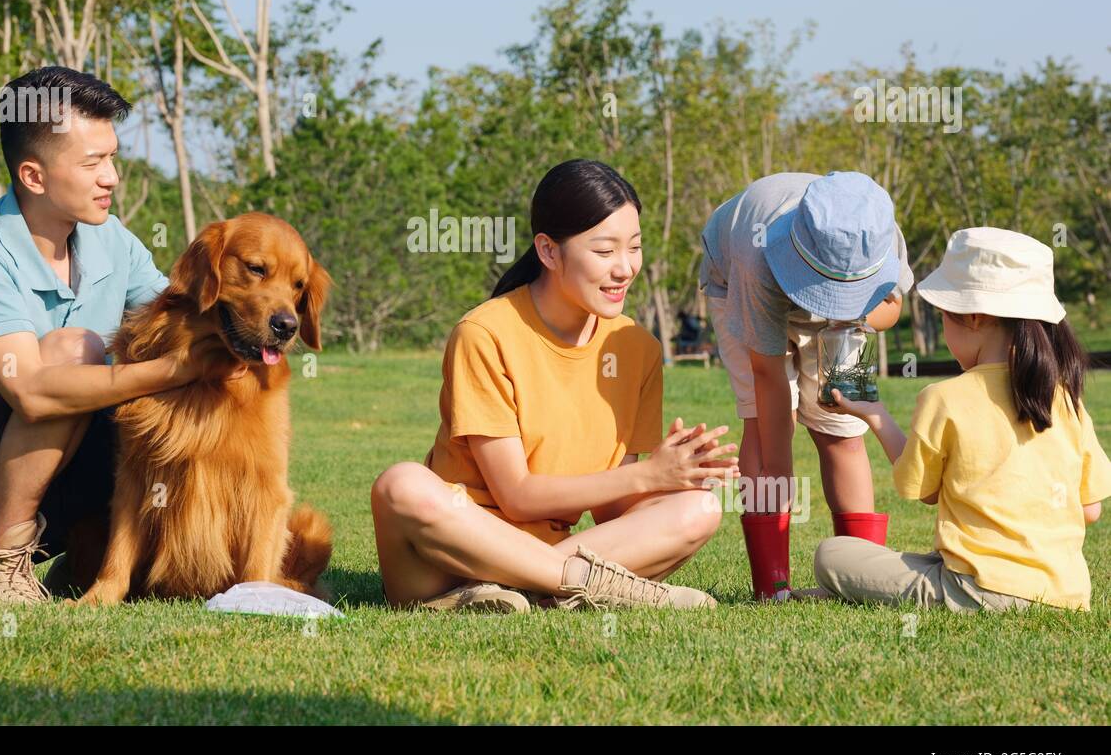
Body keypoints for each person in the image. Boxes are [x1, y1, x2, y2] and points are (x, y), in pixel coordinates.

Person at [0, 67, 228, 605]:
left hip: (59, 475)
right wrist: (176, 370)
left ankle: (152, 557)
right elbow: (32, 393)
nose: (111, 177)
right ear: (34, 176)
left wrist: (254, 311)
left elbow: (175, 319)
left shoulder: (110, 239)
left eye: (112, 157)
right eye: (92, 163)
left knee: (149, 395)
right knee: (76, 349)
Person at [371, 159, 739, 614]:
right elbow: (517, 496)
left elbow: (612, 508)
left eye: (635, 248)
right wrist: (647, 475)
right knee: (402, 484)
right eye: (605, 252)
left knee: (699, 509)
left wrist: (674, 476)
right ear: (548, 251)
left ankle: (531, 587)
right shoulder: (484, 333)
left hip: (551, 553)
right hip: (447, 559)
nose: (625, 268)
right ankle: (588, 586)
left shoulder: (637, 349)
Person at [816, 228, 1111, 611]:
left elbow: (925, 491)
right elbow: (1090, 509)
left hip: (976, 590)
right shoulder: (1066, 399)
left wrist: (878, 418)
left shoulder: (945, 397)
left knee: (832, 554)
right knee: (920, 562)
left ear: (973, 316)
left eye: (944, 317)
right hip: (1065, 595)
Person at [699, 171, 914, 599]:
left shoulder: (879, 231)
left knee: (844, 428)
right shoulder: (756, 255)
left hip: (847, 324)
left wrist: (850, 317)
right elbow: (768, 374)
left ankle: (864, 582)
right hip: (738, 287)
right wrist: (780, 480)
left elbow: (891, 308)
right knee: (763, 424)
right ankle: (772, 585)